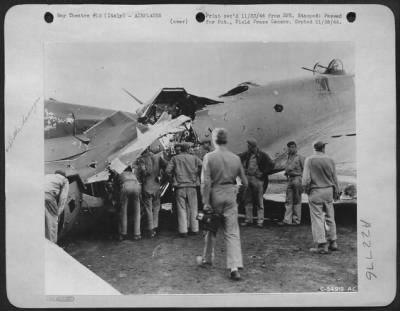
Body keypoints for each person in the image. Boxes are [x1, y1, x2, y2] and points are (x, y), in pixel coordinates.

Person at [201, 128, 248, 281]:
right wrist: (238, 196)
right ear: (226, 140)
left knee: (211, 227)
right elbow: (244, 182)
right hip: (231, 192)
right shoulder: (235, 158)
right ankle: (234, 267)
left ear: (214, 140)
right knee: (232, 232)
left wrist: (206, 201)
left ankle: (207, 258)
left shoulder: (209, 157)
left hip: (215, 193)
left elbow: (205, 182)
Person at [302, 140, 339, 254]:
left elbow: (306, 179)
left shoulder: (310, 159)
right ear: (323, 148)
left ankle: (322, 244)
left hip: (316, 190)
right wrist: (336, 190)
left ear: (314, 148)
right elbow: (334, 177)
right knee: (330, 216)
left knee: (317, 218)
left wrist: (307, 190)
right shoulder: (330, 159)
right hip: (328, 189)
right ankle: (333, 241)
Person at [166, 142, 202, 237]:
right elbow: (203, 166)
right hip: (192, 186)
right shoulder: (195, 158)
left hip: (180, 187)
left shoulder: (175, 158)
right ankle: (195, 229)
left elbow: (167, 171)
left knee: (181, 209)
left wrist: (173, 179)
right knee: (193, 208)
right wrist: (197, 174)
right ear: (187, 149)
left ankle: (183, 231)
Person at [239, 138, 274, 227]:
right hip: (248, 178)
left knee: (259, 201)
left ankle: (260, 221)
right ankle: (249, 219)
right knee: (247, 199)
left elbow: (271, 165)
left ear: (252, 146)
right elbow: (238, 157)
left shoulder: (262, 155)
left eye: (248, 146)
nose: (247, 147)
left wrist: (263, 173)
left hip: (257, 180)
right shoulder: (247, 154)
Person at [136, 148, 167, 237]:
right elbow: (166, 166)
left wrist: (141, 177)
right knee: (156, 207)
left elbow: (143, 172)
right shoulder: (157, 157)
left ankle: (150, 229)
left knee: (148, 208)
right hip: (156, 185)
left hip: (147, 186)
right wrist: (162, 177)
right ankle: (155, 227)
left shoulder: (141, 159)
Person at [278, 141, 305, 226]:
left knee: (297, 200)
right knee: (288, 200)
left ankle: (296, 220)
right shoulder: (288, 158)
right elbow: (287, 168)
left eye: (293, 147)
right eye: (290, 147)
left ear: (296, 148)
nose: (291, 149)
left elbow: (304, 169)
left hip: (297, 178)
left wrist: (303, 181)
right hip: (290, 179)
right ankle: (287, 220)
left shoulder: (300, 157)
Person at [115, 166, 141, 241]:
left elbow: (116, 189)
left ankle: (123, 234)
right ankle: (137, 234)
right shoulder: (133, 174)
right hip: (137, 186)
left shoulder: (119, 173)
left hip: (125, 186)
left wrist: (118, 201)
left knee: (123, 211)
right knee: (137, 211)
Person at [44, 170, 69, 243]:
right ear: (64, 176)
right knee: (52, 224)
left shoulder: (47, 176)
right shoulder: (64, 180)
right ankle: (52, 245)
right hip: (48, 197)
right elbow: (63, 198)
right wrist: (58, 213)